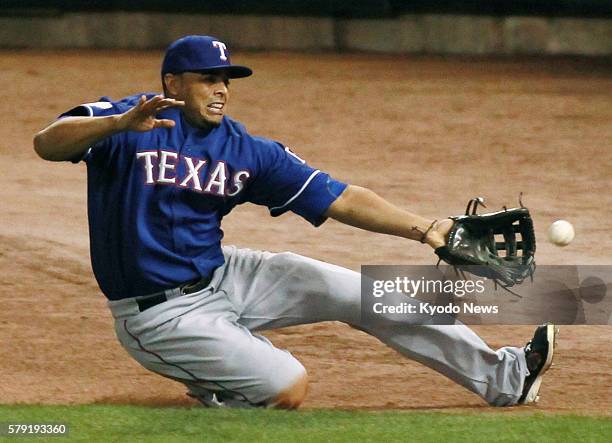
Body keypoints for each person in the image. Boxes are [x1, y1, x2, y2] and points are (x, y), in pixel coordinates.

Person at [33, 35, 556, 409]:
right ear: (172, 81)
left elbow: (341, 197)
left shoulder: (243, 149)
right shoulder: (128, 119)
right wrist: (116, 124)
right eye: (206, 79)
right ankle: (223, 381)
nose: (220, 89)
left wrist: (427, 228)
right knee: (287, 388)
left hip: (224, 275)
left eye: (227, 80)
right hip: (156, 314)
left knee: (362, 292)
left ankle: (507, 378)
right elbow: (47, 141)